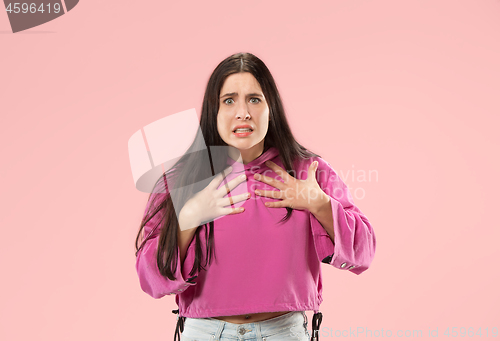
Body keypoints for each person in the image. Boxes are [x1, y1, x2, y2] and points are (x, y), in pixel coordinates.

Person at [134, 52, 376, 341]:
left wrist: (319, 203)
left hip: (283, 333)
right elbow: (149, 279)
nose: (243, 112)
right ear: (214, 111)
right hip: (204, 332)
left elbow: (365, 252)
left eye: (254, 99)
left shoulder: (308, 172)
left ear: (270, 107)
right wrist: (188, 219)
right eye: (229, 100)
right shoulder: (182, 180)